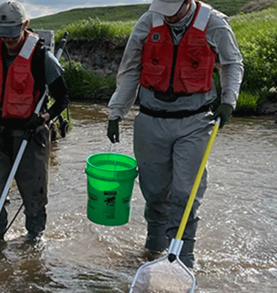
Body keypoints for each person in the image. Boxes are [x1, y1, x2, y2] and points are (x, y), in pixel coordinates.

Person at [106, 0, 243, 268]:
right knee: (155, 192)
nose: (167, 17)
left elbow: (232, 63)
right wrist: (116, 112)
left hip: (195, 120)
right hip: (150, 118)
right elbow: (130, 68)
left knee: (185, 193)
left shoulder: (214, 23)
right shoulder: (148, 22)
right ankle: (153, 250)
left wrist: (229, 101)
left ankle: (182, 259)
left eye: (173, 10)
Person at [0, 0, 69, 242]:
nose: (9, 40)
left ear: (25, 25)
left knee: (34, 197)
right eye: (4, 35)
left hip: (30, 136)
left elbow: (62, 98)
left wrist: (42, 118)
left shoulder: (41, 57)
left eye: (13, 34)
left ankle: (34, 242)